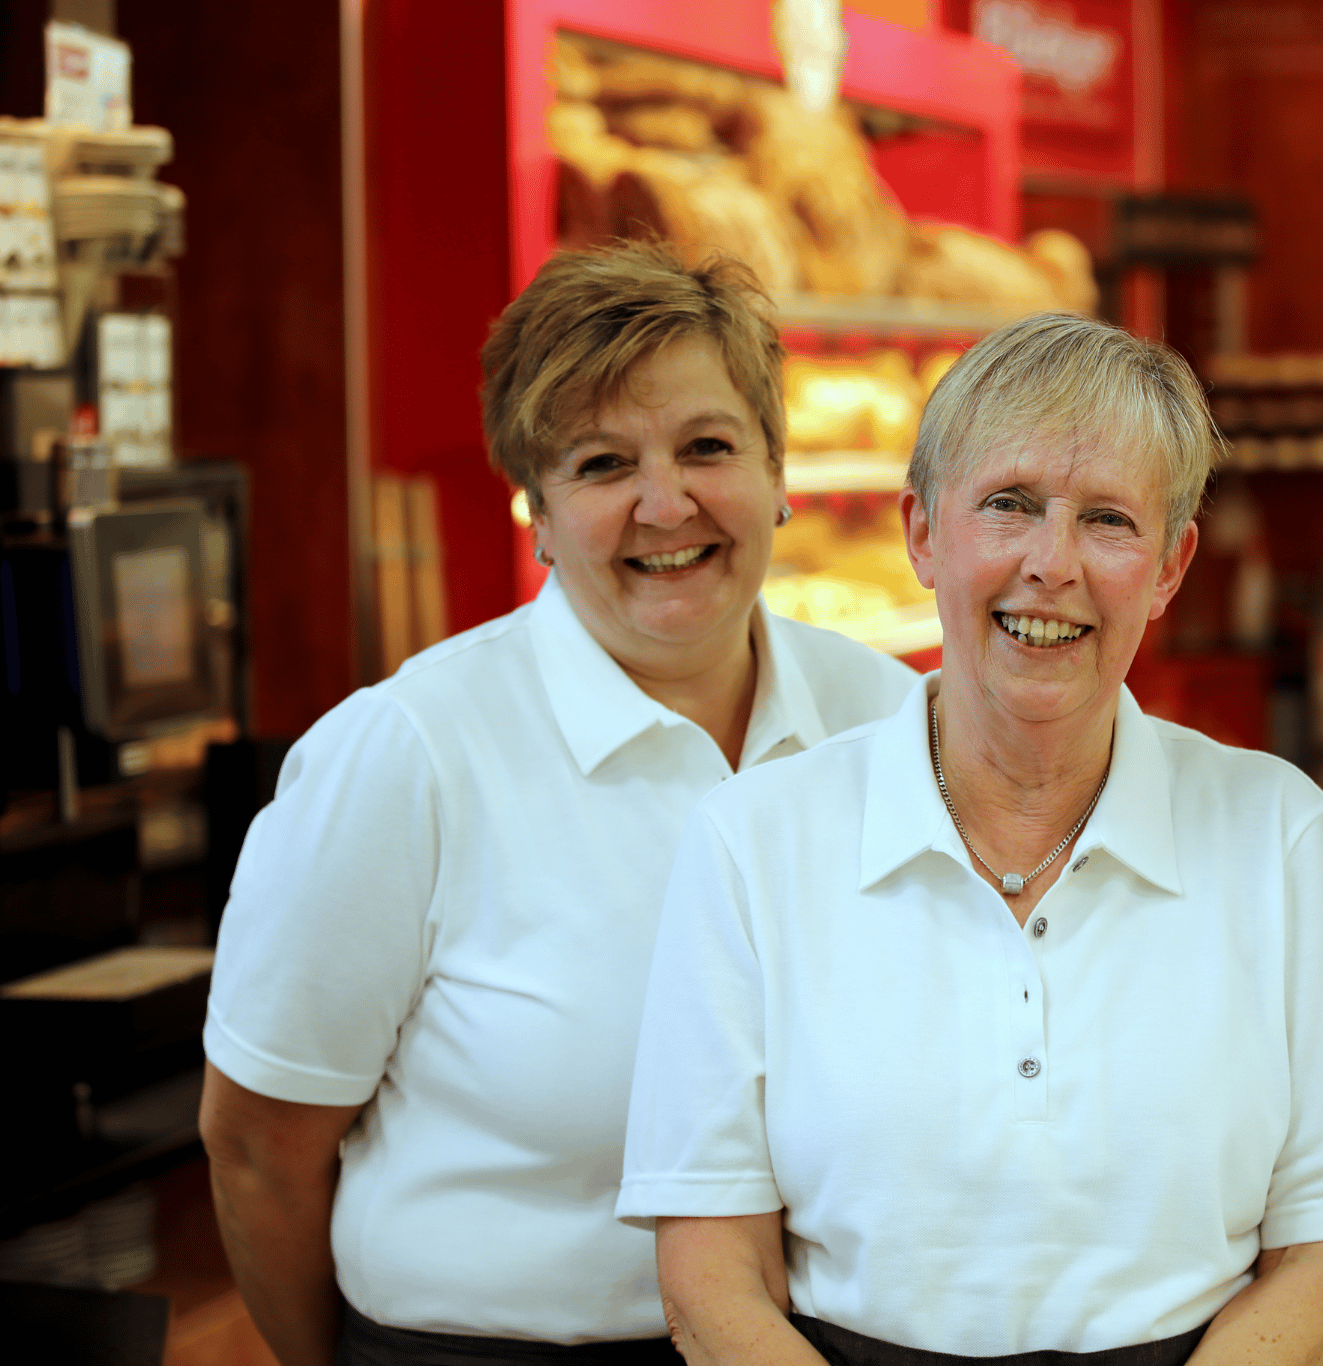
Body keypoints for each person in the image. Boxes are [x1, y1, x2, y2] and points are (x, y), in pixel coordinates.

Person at [618, 312, 1323, 1366]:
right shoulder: (754, 842)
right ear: (923, 534)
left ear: (1169, 566)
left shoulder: (1281, 835)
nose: (1050, 564)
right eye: (1008, 506)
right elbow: (709, 1268)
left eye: (1108, 521)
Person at [199, 242, 918, 1365]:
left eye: (707, 447)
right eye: (599, 464)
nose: (664, 502)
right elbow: (255, 1146)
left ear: (780, 471)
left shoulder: (886, 719)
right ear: (534, 508)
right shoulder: (407, 754)